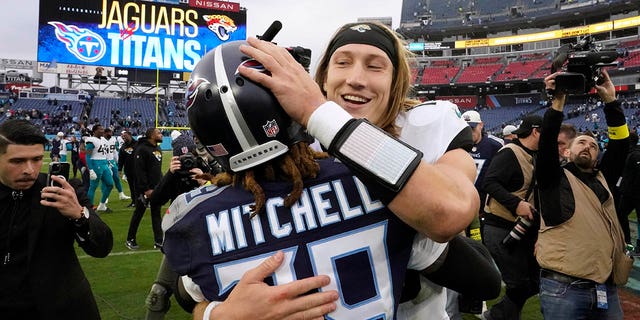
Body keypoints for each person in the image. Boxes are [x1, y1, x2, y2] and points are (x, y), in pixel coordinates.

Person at [536, 69, 633, 319]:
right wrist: (558, 101)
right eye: (581, 142)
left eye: (592, 146)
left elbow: (621, 144)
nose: (588, 147)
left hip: (605, 286)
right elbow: (547, 140)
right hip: (564, 287)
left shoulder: (603, 178)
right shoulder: (552, 178)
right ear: (566, 152)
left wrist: (611, 101)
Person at [0, 119, 113, 319]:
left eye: (36, 159)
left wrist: (79, 214)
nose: (29, 170)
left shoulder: (63, 190)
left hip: (62, 308)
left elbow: (102, 246)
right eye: (17, 161)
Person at [144, 133, 212, 320]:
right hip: (182, 240)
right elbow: (156, 200)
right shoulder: (173, 176)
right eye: (182, 158)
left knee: (216, 295)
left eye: (189, 156)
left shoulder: (206, 169)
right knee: (158, 294)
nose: (187, 161)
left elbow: (228, 193)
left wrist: (205, 180)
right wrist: (170, 175)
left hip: (210, 238)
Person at [481, 114, 543, 320]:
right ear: (535, 131)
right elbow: (489, 183)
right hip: (500, 227)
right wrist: (516, 204)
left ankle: (497, 315)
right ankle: (495, 316)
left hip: (521, 229)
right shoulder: (509, 153)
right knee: (519, 284)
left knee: (534, 281)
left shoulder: (533, 154)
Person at [125, 127, 164, 250]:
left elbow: (156, 170)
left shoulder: (157, 148)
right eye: (158, 133)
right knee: (138, 213)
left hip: (156, 188)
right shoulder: (141, 149)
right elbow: (139, 171)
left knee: (156, 214)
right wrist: (146, 189)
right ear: (151, 135)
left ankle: (159, 241)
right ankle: (130, 239)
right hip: (144, 190)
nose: (161, 134)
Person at [85, 124, 114, 212]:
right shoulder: (91, 141)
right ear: (94, 131)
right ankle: (90, 208)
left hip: (104, 164)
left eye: (103, 129)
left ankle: (102, 205)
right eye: (100, 129)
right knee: (93, 186)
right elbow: (88, 156)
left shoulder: (102, 140)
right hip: (96, 164)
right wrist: (90, 169)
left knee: (110, 184)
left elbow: (103, 153)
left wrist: (108, 163)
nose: (102, 131)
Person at [618, 131, 640, 247]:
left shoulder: (634, 155)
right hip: (631, 193)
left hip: (631, 194)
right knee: (621, 214)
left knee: (621, 213)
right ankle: (628, 241)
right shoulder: (631, 153)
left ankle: (628, 241)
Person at [103, 127, 131, 201]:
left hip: (112, 161)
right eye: (110, 132)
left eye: (111, 132)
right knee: (105, 180)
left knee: (117, 178)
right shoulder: (101, 140)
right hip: (104, 162)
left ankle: (121, 194)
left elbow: (114, 151)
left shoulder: (113, 139)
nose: (111, 134)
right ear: (105, 133)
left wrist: (117, 161)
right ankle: (105, 197)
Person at [118, 130, 137, 207]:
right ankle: (134, 201)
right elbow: (121, 159)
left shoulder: (137, 144)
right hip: (128, 170)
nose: (123, 138)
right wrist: (119, 169)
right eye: (122, 137)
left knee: (139, 187)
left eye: (125, 136)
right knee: (132, 187)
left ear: (129, 135)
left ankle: (141, 201)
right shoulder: (123, 147)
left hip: (138, 169)